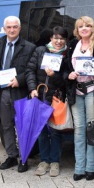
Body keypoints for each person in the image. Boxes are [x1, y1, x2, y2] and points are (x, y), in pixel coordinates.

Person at [65, 16, 94, 181]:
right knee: (79, 130)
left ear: (92, 28)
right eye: (80, 26)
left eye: (87, 25)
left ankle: (91, 167)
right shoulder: (71, 45)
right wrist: (68, 75)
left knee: (92, 129)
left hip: (92, 90)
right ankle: (79, 168)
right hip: (76, 92)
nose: (84, 28)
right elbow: (64, 69)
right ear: (77, 30)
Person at [0, 16, 36, 172]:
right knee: (6, 126)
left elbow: (31, 69)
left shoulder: (29, 47)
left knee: (22, 126)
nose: (11, 30)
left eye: (14, 27)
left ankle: (24, 159)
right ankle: (11, 155)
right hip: (3, 92)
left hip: (20, 91)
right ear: (4, 29)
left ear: (20, 28)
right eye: (9, 27)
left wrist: (20, 80)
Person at [26, 26, 69, 177]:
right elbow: (30, 70)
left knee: (56, 131)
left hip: (57, 97)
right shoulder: (40, 51)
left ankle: (55, 161)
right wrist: (32, 88)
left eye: (62, 38)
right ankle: (44, 160)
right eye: (56, 38)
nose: (58, 41)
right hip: (40, 96)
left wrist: (54, 76)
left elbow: (65, 79)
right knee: (42, 131)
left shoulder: (67, 54)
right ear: (51, 38)